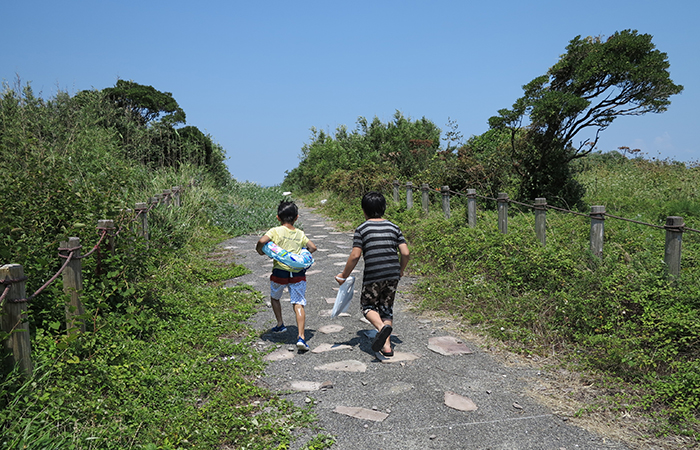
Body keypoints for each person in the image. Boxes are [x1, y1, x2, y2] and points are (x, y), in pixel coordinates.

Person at [336, 191, 409, 357]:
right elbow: (405, 252)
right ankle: (387, 347)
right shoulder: (393, 227)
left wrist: (343, 275)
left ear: (364, 210)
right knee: (386, 308)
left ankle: (382, 328)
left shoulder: (362, 229)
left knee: (368, 306)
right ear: (384, 208)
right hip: (392, 273)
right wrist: (401, 269)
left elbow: (355, 255)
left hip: (373, 275)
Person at [256, 201, 317, 352]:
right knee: (298, 303)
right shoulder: (300, 234)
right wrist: (303, 253)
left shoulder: (275, 231)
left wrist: (260, 250)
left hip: (280, 272)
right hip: (297, 273)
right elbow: (313, 247)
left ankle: (280, 324)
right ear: (296, 218)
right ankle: (301, 337)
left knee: (275, 297)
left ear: (278, 217)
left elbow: (262, 241)